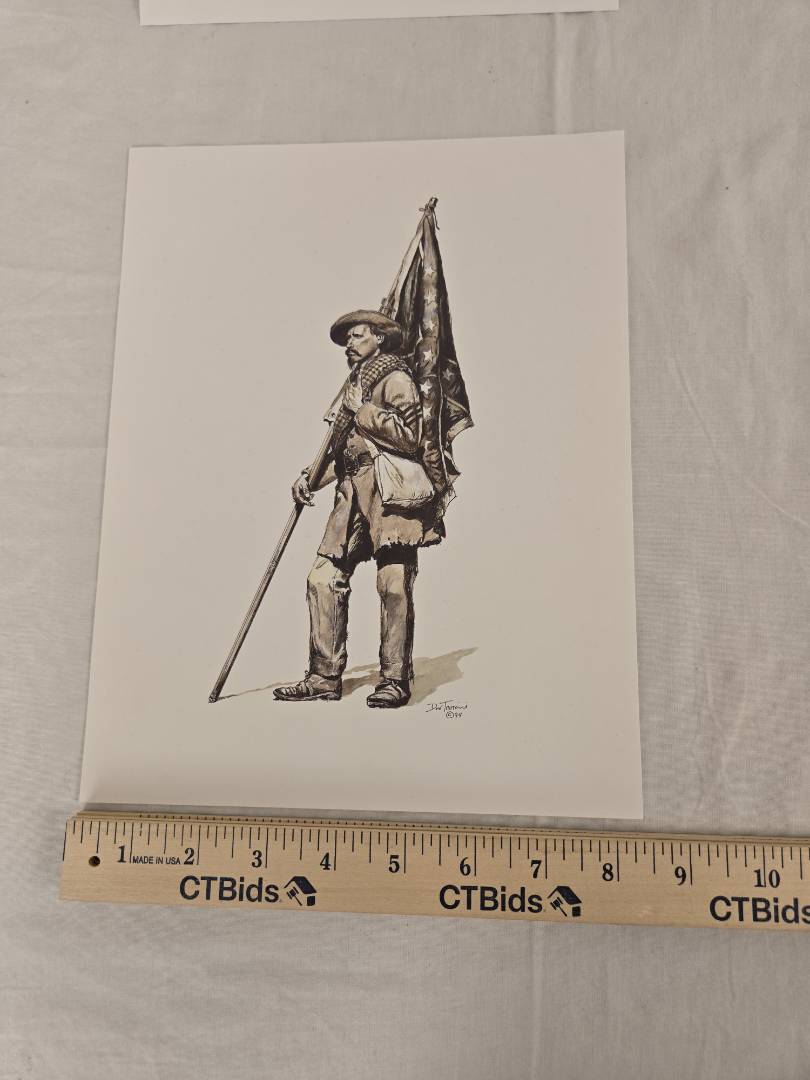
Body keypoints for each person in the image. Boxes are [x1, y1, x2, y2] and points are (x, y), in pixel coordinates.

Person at [273, 309, 443, 708]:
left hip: (390, 499)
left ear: (379, 339)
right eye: (347, 339)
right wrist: (310, 478)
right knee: (322, 578)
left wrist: (362, 410)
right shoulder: (354, 383)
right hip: (351, 499)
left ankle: (394, 680)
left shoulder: (396, 379)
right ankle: (323, 677)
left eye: (357, 336)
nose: (349, 344)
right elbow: (343, 452)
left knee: (393, 585)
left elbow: (411, 437)